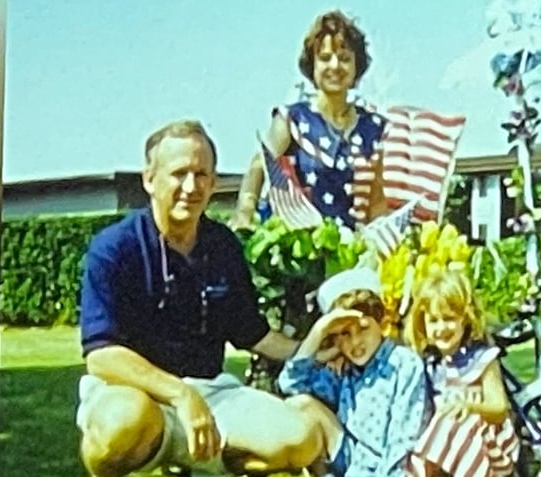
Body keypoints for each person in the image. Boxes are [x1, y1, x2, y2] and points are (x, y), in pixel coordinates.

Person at [75, 119, 348, 477]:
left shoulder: (222, 246)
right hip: (136, 393)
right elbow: (101, 356)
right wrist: (180, 396)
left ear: (214, 182)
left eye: (202, 174)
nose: (191, 186)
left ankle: (204, 462)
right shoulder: (114, 248)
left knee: (300, 440)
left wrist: (314, 347)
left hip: (211, 395)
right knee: (121, 424)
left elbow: (253, 334)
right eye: (179, 173)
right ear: (149, 179)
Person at [230, 9, 388, 230]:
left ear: (356, 66)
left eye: (344, 59)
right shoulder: (292, 119)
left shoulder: (374, 128)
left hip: (353, 251)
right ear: (312, 66)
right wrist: (244, 212)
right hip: (299, 248)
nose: (335, 66)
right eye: (324, 58)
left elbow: (377, 198)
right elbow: (259, 166)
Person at [277, 267, 430, 476]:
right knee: (301, 405)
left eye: (364, 329)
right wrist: (319, 333)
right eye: (344, 334)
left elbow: (404, 442)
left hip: (387, 471)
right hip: (350, 465)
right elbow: (290, 384)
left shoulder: (403, 364)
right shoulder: (345, 369)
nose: (355, 342)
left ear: (381, 323)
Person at [404, 269, 520, 477]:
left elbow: (499, 408)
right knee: (424, 438)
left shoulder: (481, 358)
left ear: (464, 320)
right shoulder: (430, 363)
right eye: (433, 320)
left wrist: (470, 406)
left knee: (455, 420)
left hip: (487, 442)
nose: (441, 328)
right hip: (444, 446)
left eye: (448, 318)